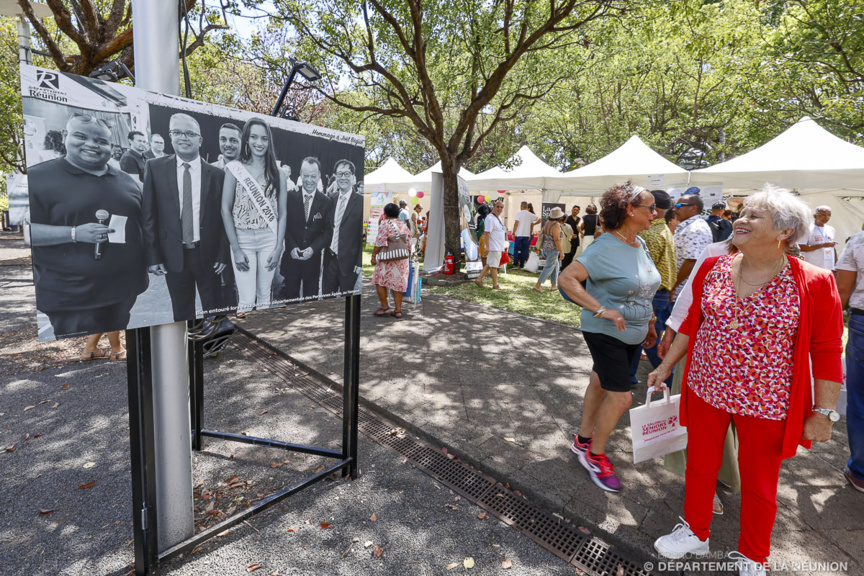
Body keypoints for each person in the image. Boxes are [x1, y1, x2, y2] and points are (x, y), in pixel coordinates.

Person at [649, 187, 843, 574]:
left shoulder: (816, 281)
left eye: (755, 216)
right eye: (743, 211)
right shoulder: (714, 266)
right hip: (706, 387)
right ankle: (696, 532)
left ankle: (754, 555)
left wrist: (824, 411)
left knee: (760, 483)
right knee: (700, 467)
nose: (741, 219)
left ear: (784, 232)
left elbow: (826, 349)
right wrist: (666, 365)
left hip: (768, 400)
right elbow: (692, 324)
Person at [558, 182, 661, 492]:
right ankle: (596, 455)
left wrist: (652, 321)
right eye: (650, 208)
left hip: (634, 332)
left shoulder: (639, 243)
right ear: (630, 210)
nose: (655, 214)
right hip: (605, 331)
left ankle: (582, 440)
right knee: (622, 396)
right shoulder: (604, 247)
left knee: (599, 381)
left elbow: (644, 288)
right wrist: (601, 310)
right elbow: (566, 279)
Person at [29, 113, 148, 338]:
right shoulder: (35, 178)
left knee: (118, 359)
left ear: (111, 146)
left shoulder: (126, 180)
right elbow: (25, 233)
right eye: (81, 137)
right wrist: (74, 233)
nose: (92, 145)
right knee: (82, 361)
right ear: (65, 136)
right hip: (72, 297)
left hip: (123, 290)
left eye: (101, 141)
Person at [142, 113, 229, 321]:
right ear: (170, 136)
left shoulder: (218, 175)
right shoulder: (155, 168)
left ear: (199, 140)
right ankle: (187, 349)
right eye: (178, 132)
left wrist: (223, 254)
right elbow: (149, 216)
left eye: (190, 133)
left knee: (215, 309)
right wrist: (153, 257)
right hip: (173, 255)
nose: (184, 137)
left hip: (207, 256)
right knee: (181, 311)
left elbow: (225, 218)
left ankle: (214, 348)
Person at [220, 118, 287, 314]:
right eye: (254, 137)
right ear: (247, 139)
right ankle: (244, 342)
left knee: (265, 294)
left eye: (264, 138)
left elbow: (282, 214)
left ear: (269, 142)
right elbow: (225, 209)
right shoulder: (234, 168)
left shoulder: (278, 173)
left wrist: (278, 247)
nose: (259, 143)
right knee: (247, 299)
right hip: (242, 239)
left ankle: (262, 339)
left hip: (269, 238)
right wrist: (236, 249)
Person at [628, 190, 676, 386]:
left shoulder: (649, 234)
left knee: (650, 342)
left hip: (652, 294)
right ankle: (628, 376)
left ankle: (672, 381)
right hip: (661, 293)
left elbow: (644, 272)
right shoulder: (664, 229)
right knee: (639, 338)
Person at [279, 157, 332, 301]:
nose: (309, 180)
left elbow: (327, 232)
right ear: (300, 174)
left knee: (311, 304)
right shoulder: (290, 197)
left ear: (319, 176)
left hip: (312, 264)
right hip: (291, 261)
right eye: (306, 175)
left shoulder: (326, 202)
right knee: (290, 302)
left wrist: (313, 249)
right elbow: (284, 226)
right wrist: (291, 247)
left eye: (313, 176)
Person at [834, 232, 864, 493]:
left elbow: (843, 288)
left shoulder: (860, 240)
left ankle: (861, 472)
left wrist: (830, 328)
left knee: (860, 398)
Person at [323, 159, 364, 295]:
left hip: (350, 263)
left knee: (347, 302)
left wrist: (359, 261)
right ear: (335, 176)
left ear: (353, 177)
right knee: (327, 301)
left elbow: (361, 235)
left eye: (347, 174)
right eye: (340, 174)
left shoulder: (360, 202)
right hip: (330, 261)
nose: (343, 178)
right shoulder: (331, 199)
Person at [371, 202, 410, 318]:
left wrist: (373, 256)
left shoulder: (384, 224)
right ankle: (398, 310)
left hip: (387, 259)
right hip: (402, 259)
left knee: (379, 280)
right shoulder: (403, 225)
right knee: (398, 284)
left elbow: (380, 242)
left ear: (385, 214)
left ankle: (385, 308)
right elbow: (408, 243)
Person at [671, 192, 712, 301]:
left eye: (679, 206)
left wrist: (674, 286)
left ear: (693, 208)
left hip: (682, 293)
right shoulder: (689, 227)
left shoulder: (695, 229)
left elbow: (691, 260)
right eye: (674, 206)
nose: (674, 209)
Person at [475, 200, 507, 290]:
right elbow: (487, 233)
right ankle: (495, 285)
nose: (500, 209)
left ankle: (478, 279)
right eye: (498, 207)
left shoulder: (498, 217)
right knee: (494, 266)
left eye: (501, 207)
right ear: (493, 207)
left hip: (498, 246)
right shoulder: (490, 218)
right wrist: (488, 247)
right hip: (494, 246)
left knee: (489, 264)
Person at [533, 207, 565, 292]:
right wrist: (561, 252)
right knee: (549, 267)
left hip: (545, 248)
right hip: (553, 249)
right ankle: (538, 285)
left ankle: (554, 285)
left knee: (555, 266)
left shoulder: (547, 222)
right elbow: (557, 239)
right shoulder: (556, 225)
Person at [799, 206, 837, 270]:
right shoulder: (807, 228)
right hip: (812, 267)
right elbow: (800, 247)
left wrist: (836, 263)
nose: (826, 217)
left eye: (829, 215)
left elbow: (833, 248)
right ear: (815, 216)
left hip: (828, 267)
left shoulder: (831, 229)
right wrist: (823, 245)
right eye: (823, 215)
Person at [512, 201, 540, 269]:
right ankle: (522, 264)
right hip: (527, 235)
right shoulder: (530, 214)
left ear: (521, 206)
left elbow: (516, 223)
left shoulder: (519, 214)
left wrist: (513, 232)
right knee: (524, 250)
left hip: (519, 234)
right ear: (527, 207)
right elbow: (539, 219)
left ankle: (515, 264)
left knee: (516, 249)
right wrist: (534, 224)